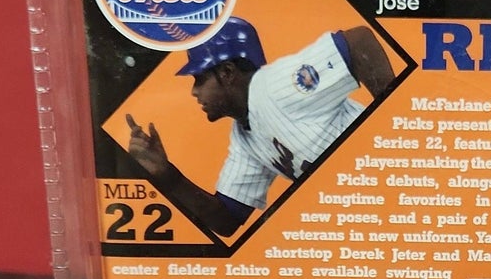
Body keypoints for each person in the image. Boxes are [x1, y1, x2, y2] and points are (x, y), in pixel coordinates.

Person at [124, 17, 393, 236]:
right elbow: (226, 220)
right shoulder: (244, 137)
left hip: (395, 182)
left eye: (199, 79)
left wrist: (396, 128)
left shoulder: (277, 85)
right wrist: (167, 175)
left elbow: (359, 42)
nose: (194, 92)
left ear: (227, 73)